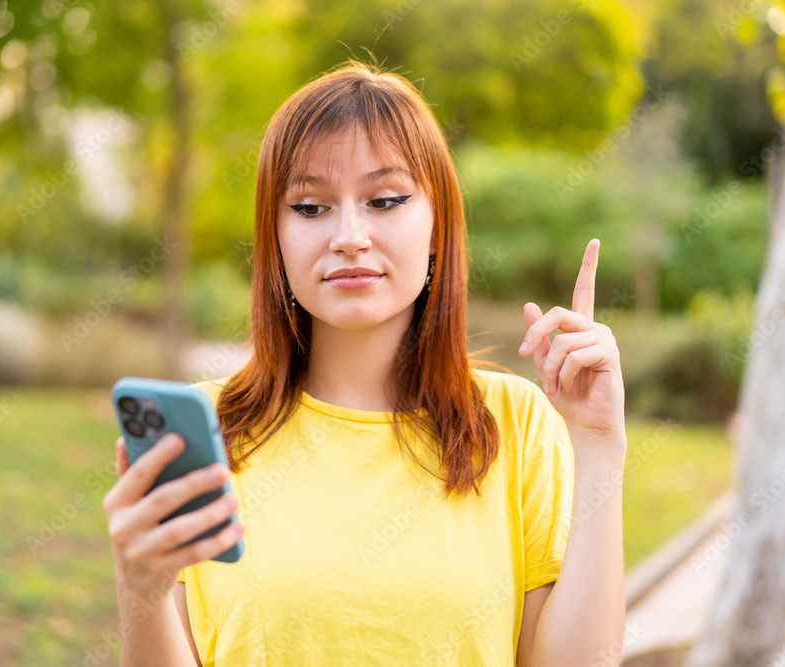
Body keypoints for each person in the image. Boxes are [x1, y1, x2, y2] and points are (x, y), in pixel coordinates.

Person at [103, 60, 628, 666]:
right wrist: (139, 590)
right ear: (273, 236)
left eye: (384, 199)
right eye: (309, 207)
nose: (349, 235)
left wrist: (598, 443)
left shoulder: (516, 423)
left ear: (438, 227)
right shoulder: (210, 431)